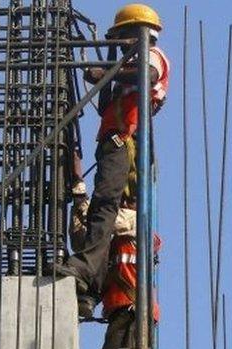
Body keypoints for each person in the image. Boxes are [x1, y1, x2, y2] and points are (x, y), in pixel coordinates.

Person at [54, 3, 170, 318]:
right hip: (114, 142)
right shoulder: (126, 65)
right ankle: (90, 284)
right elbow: (104, 101)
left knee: (105, 204)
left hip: (124, 142)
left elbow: (146, 75)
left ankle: (86, 269)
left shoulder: (150, 56)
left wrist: (106, 71)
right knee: (103, 211)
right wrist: (107, 66)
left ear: (138, 33)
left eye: (123, 37)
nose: (120, 44)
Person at [95, 195, 160, 349]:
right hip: (124, 309)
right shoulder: (118, 241)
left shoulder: (139, 227)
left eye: (130, 201)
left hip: (132, 310)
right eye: (122, 201)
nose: (124, 205)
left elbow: (110, 220)